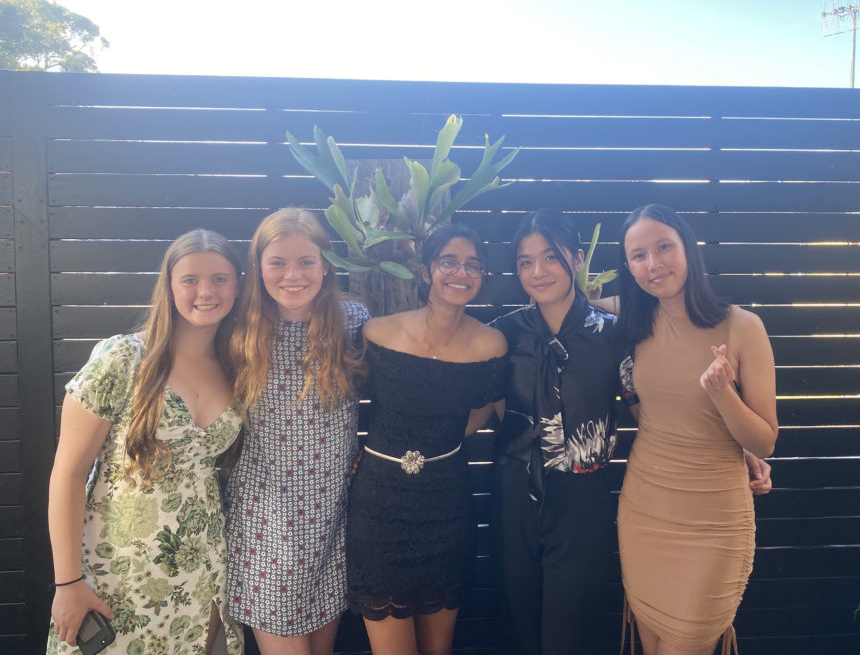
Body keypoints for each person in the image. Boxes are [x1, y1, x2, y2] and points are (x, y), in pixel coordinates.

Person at [489, 209, 772, 655]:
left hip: (616, 500)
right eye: (526, 262)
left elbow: (654, 406)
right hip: (552, 496)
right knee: (526, 629)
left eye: (551, 256)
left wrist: (737, 437)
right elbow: (491, 404)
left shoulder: (625, 331)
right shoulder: (513, 334)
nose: (539, 271)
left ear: (577, 259)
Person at [46, 229, 245, 655]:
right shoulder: (123, 358)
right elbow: (68, 473)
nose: (206, 292)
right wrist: (68, 582)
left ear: (237, 286)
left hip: (203, 569)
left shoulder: (237, 366)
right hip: (117, 573)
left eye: (220, 279)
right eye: (190, 280)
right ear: (169, 286)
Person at [617, 204, 778, 655]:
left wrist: (723, 393)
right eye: (638, 255)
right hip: (645, 509)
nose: (653, 264)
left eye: (664, 247)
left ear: (688, 247)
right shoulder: (631, 322)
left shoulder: (742, 326)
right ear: (628, 267)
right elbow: (570, 302)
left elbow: (765, 441)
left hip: (714, 520)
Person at [345, 223, 508, 655]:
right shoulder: (377, 333)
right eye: (449, 262)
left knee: (439, 648)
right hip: (378, 508)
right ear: (426, 271)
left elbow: (487, 407)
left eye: (473, 265)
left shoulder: (491, 344)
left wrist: (442, 442)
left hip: (447, 506)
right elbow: (342, 402)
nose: (461, 273)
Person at [224, 208, 368, 655]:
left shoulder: (353, 321)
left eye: (306, 261)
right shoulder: (238, 331)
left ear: (326, 265)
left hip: (331, 520)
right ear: (257, 267)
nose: (293, 275)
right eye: (278, 262)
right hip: (266, 524)